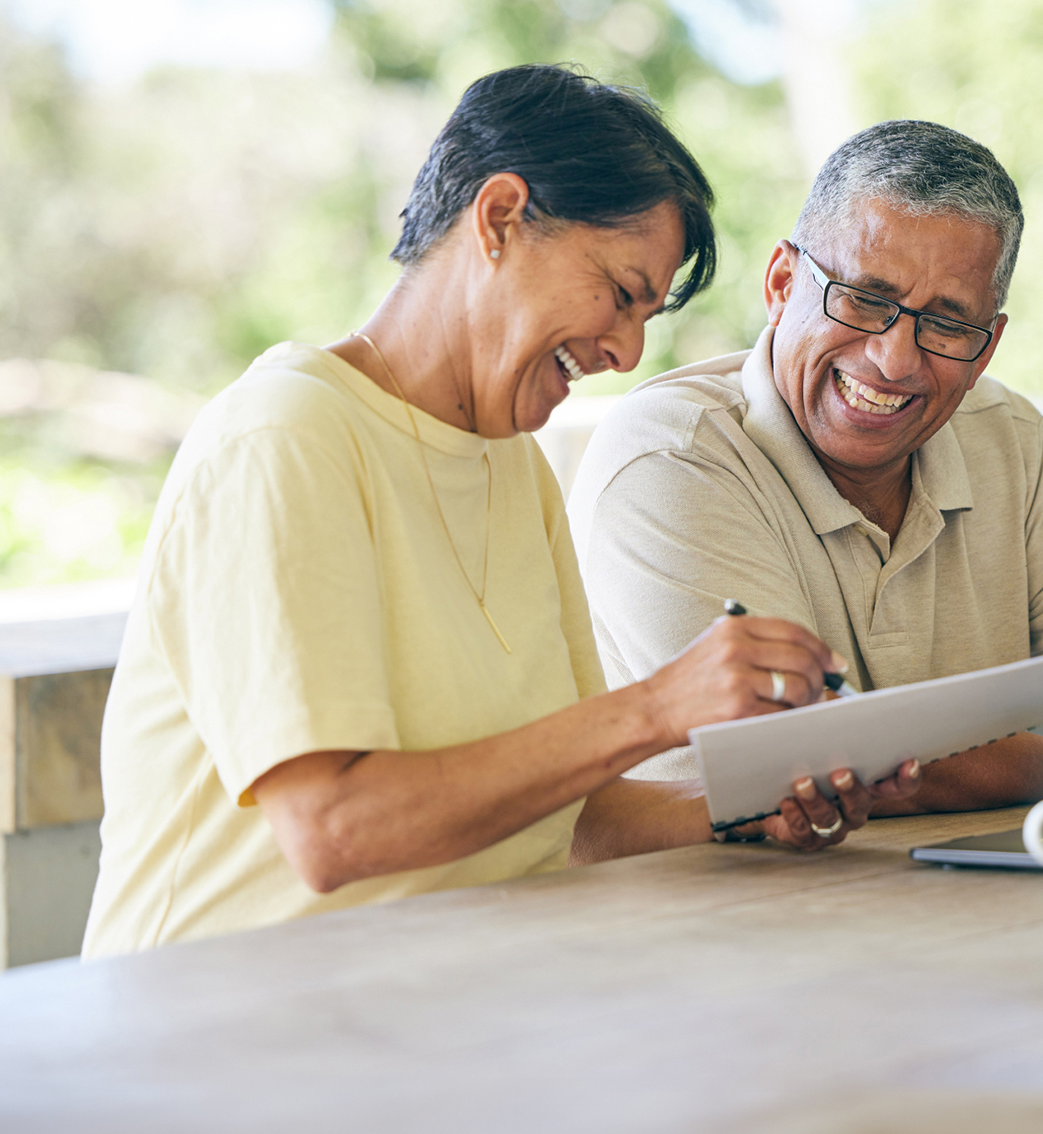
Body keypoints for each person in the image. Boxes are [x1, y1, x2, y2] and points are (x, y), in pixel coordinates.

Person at [83, 67, 921, 958]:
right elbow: (333, 833)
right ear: (499, 218)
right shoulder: (286, 437)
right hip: (215, 1039)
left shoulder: (516, 467)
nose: (627, 350)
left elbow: (573, 821)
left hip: (438, 1016)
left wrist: (751, 815)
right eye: (620, 292)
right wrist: (656, 708)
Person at [567, 119, 1043, 810]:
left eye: (949, 322)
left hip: (962, 897)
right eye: (865, 299)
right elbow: (802, 765)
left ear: (986, 348)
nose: (895, 360)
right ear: (781, 283)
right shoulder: (673, 454)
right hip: (723, 906)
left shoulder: (1006, 437)